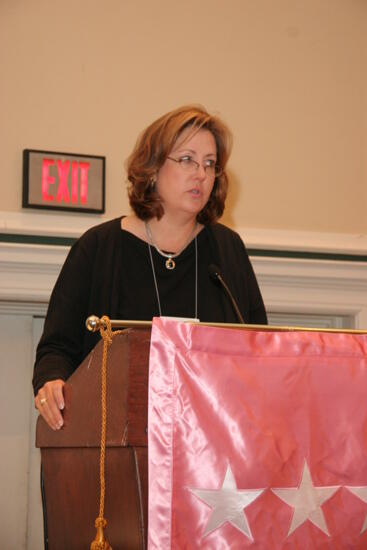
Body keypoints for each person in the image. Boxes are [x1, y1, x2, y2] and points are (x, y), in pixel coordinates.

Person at [33, 104, 267, 430]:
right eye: (187, 159)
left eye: (210, 164)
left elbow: (259, 347)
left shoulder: (227, 251)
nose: (201, 173)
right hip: (114, 441)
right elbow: (57, 349)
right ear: (153, 167)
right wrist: (52, 383)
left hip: (212, 445)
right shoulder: (99, 248)